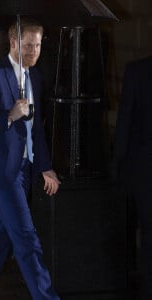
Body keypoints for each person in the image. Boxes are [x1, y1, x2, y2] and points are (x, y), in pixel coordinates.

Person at [0, 18, 61, 300]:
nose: (34, 50)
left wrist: (45, 166)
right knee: (26, 238)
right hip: (1, 170)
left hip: (24, 168)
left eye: (37, 45)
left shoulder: (36, 77)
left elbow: (37, 129)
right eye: (28, 45)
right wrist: (9, 115)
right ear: (13, 43)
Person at [113, 55, 152, 300]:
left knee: (149, 237)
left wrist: (118, 168)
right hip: (143, 171)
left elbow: (124, 123)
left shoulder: (136, 71)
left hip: (144, 171)